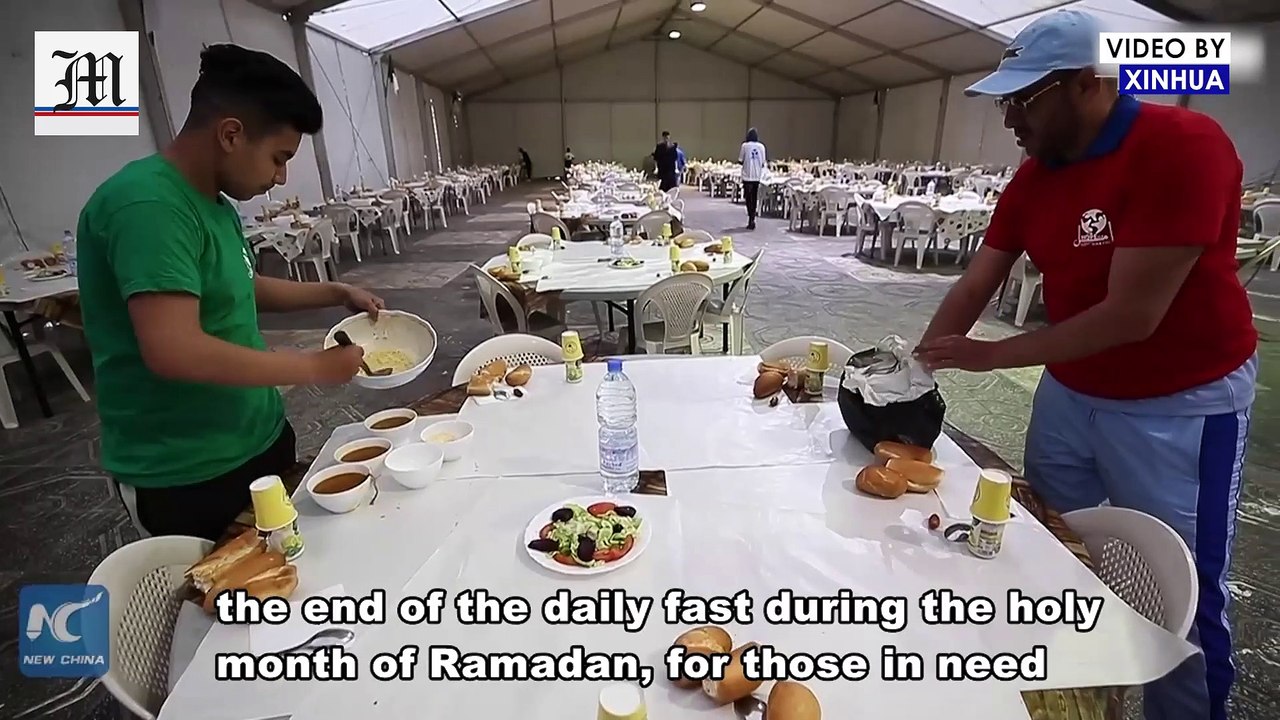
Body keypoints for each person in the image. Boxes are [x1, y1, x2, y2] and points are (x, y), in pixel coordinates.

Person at [913, 11, 1254, 720]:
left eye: (1023, 99)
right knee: (1043, 547)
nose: (1009, 118)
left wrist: (992, 355)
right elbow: (977, 281)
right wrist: (914, 370)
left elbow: (1134, 316)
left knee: (1180, 591)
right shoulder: (1038, 176)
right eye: (1004, 101)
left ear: (1087, 84)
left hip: (1179, 406)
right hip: (1072, 394)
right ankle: (1062, 689)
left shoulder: (1183, 145)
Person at [77, 44, 385, 542]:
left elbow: (238, 285)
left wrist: (333, 291)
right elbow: (174, 350)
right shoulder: (148, 205)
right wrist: (313, 367)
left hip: (256, 437)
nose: (280, 176)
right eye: (279, 158)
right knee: (218, 608)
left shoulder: (214, 204)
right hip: (188, 471)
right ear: (231, 134)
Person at [739, 128, 766, 229]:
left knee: (748, 198)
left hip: (747, 176)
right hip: (757, 176)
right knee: (754, 198)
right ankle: (752, 217)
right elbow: (763, 162)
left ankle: (750, 216)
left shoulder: (745, 146)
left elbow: (740, 160)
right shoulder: (762, 147)